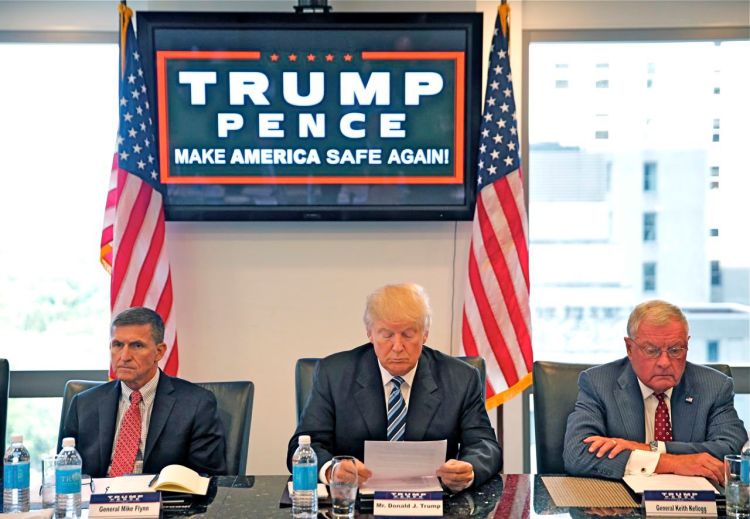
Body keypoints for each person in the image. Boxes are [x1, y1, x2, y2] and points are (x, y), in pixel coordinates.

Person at [286, 283, 502, 492]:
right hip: (353, 502)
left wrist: (469, 469)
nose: (397, 347)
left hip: (436, 504)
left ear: (425, 333)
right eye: (387, 335)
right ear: (370, 333)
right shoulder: (333, 373)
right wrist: (331, 470)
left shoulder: (461, 377)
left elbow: (485, 446)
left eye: (408, 334)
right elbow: (304, 445)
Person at [563, 300, 747, 482]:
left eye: (676, 350)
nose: (664, 362)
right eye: (652, 350)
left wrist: (648, 448)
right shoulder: (599, 383)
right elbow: (577, 454)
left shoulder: (714, 386)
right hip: (622, 503)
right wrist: (672, 462)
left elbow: (733, 449)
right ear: (630, 348)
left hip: (695, 505)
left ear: (687, 345)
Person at [60, 307, 227, 478]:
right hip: (96, 501)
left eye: (137, 345)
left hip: (163, 501)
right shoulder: (83, 404)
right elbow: (65, 470)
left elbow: (208, 479)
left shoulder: (196, 404)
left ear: (159, 352)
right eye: (117, 345)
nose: (124, 356)